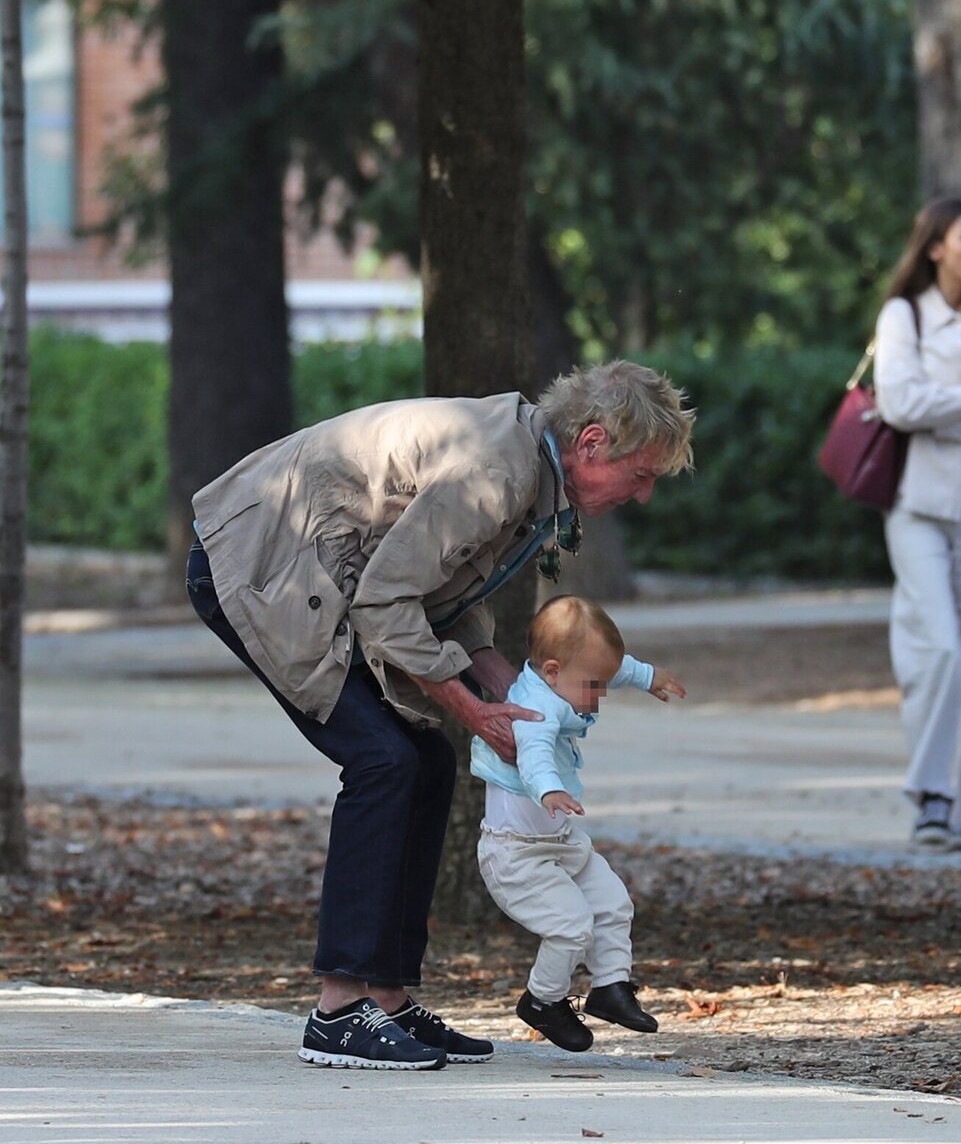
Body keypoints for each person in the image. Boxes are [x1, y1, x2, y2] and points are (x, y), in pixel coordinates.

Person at [185, 360, 695, 1070]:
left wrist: (499, 693)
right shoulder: (498, 470)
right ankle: (336, 1010)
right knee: (383, 760)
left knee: (427, 760)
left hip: (320, 570)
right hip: (255, 563)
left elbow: (445, 593)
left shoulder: (530, 470)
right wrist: (473, 709)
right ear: (591, 443)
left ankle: (386, 999)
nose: (642, 494)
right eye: (640, 474)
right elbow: (387, 604)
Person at [470, 596, 683, 1051]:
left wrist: (648, 677)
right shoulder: (535, 710)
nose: (600, 695)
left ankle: (609, 987)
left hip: (559, 842)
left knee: (613, 903)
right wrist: (548, 790)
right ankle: (541, 1002)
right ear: (551, 672)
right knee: (571, 927)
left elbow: (612, 666)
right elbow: (534, 753)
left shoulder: (568, 674)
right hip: (515, 854)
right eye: (593, 686)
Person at [874, 197, 961, 852]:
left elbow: (923, 404)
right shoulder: (905, 314)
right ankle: (929, 797)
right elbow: (902, 402)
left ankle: (946, 805)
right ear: (936, 245)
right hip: (916, 509)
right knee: (939, 648)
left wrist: (947, 409)